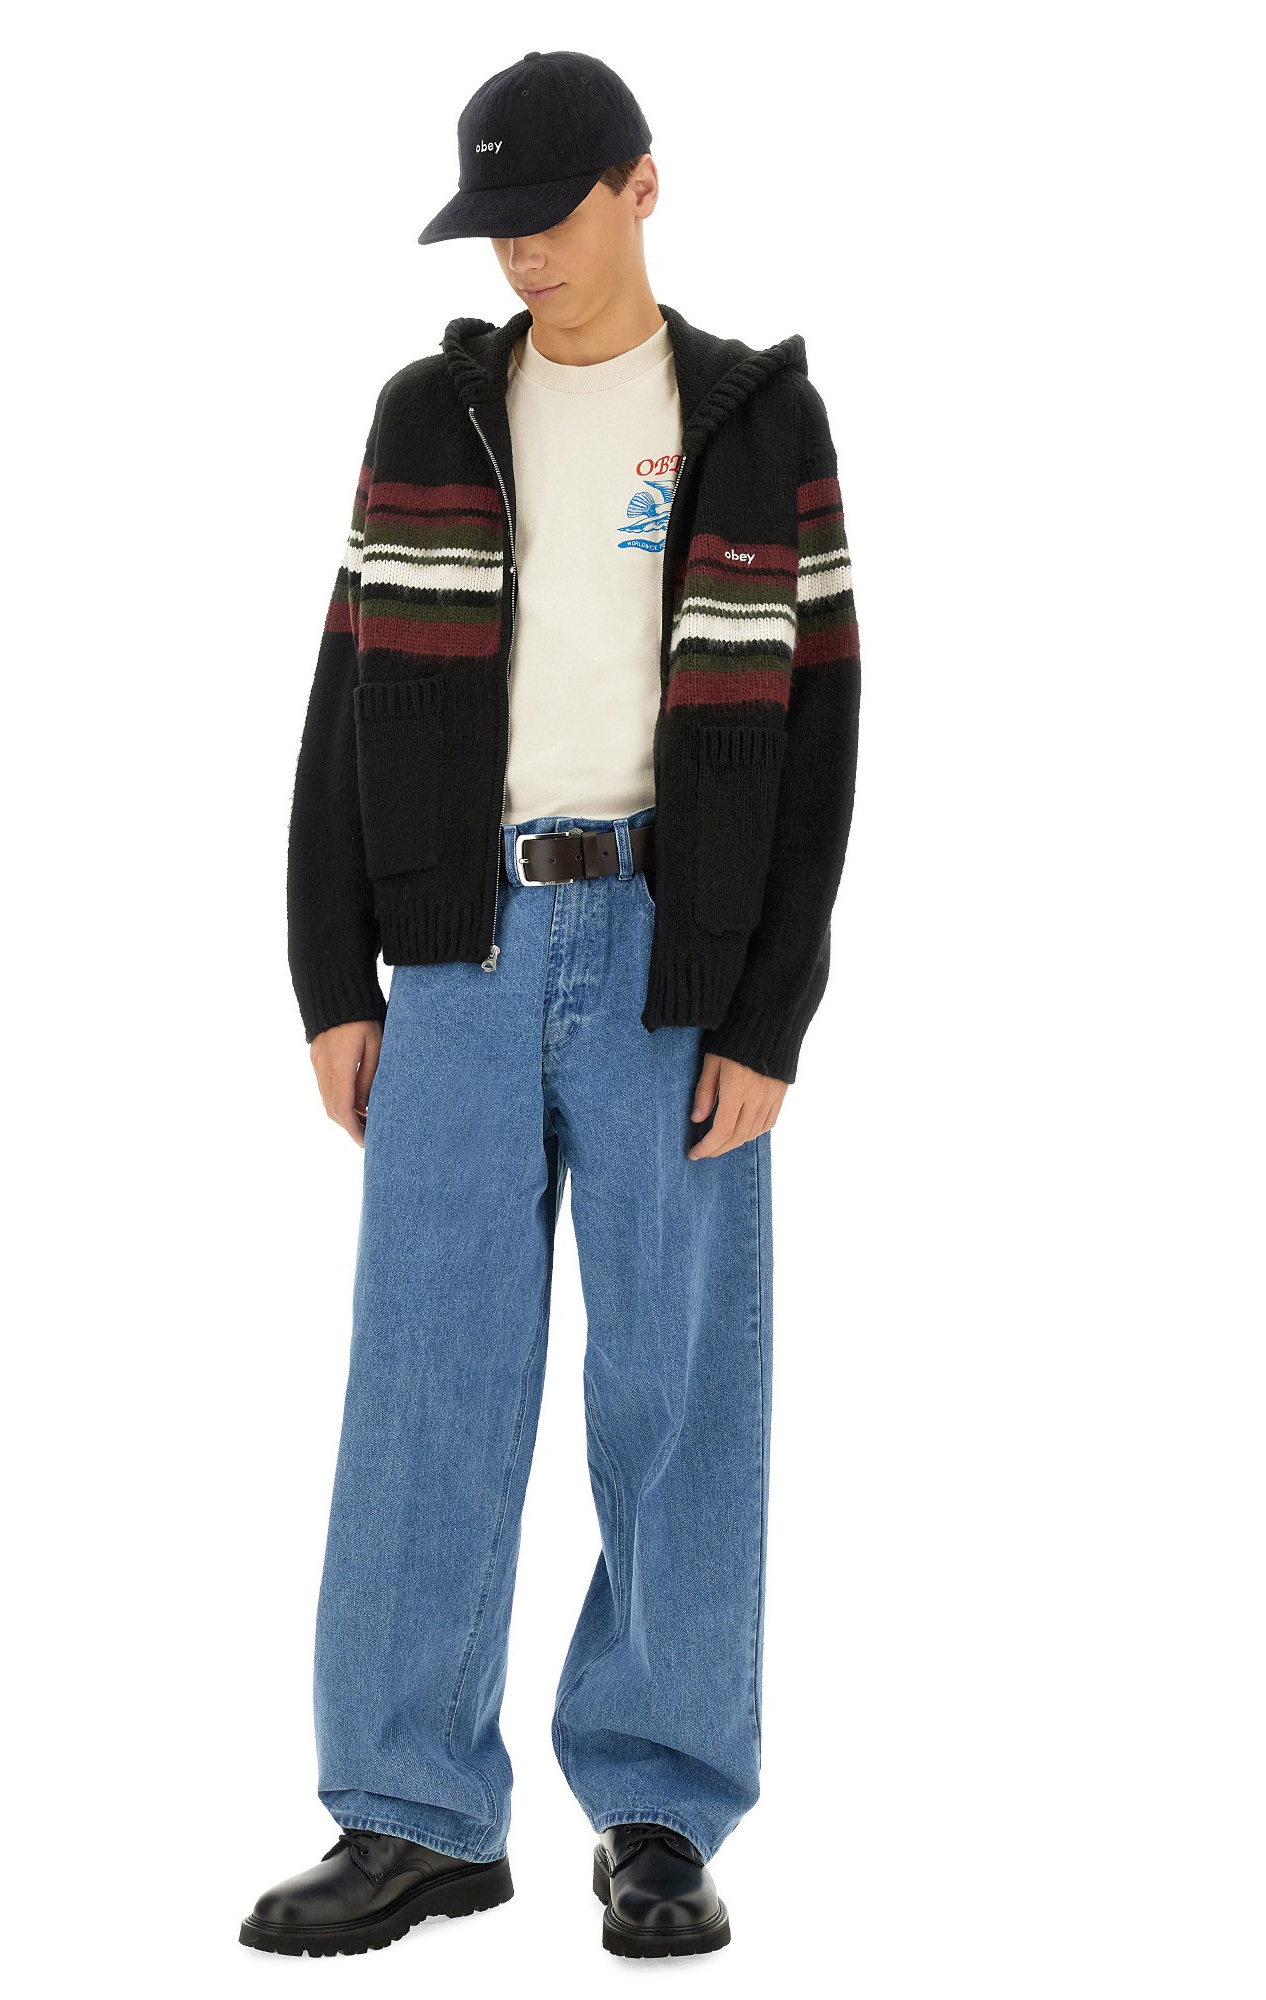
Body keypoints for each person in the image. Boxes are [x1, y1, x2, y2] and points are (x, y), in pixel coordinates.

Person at [238, 48, 861, 1961]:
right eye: (492, 224)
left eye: (548, 214)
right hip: (462, 952)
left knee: (678, 1386)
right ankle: (411, 1813)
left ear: (640, 188)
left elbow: (824, 724)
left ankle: (660, 1809)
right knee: (425, 1377)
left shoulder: (756, 421)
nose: (519, 254)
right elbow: (346, 697)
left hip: (676, 951)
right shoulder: (429, 415)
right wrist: (333, 973)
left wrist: (770, 1012)